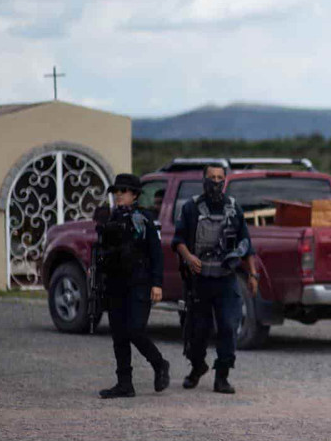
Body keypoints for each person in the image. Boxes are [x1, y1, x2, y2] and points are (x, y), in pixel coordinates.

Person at [171, 164, 258, 394]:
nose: (216, 182)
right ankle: (197, 367)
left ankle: (222, 376)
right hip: (199, 281)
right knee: (198, 330)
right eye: (212, 177)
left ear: (225, 180)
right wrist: (189, 257)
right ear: (204, 180)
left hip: (226, 279)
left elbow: (247, 245)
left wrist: (253, 275)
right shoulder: (191, 208)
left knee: (229, 327)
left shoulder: (233, 208)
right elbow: (177, 241)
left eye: (220, 178)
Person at [98, 173, 171, 399]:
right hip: (116, 283)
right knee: (119, 334)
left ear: (135, 195)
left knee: (135, 330)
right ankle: (124, 383)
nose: (119, 195)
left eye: (124, 191)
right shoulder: (111, 219)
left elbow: (156, 254)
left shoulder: (145, 219)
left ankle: (159, 364)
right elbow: (102, 252)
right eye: (116, 191)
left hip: (139, 283)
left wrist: (157, 283)